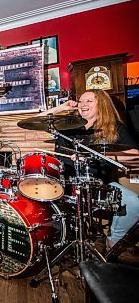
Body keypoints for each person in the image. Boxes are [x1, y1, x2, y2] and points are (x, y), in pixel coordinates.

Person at [39, 89, 139, 249]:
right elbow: (34, 121)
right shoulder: (69, 126)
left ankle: (113, 240)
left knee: (134, 203)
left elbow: (135, 154)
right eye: (81, 101)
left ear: (102, 104)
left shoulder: (114, 128)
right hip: (65, 185)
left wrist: (100, 155)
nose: (83, 104)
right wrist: (61, 107)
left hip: (100, 186)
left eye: (89, 101)